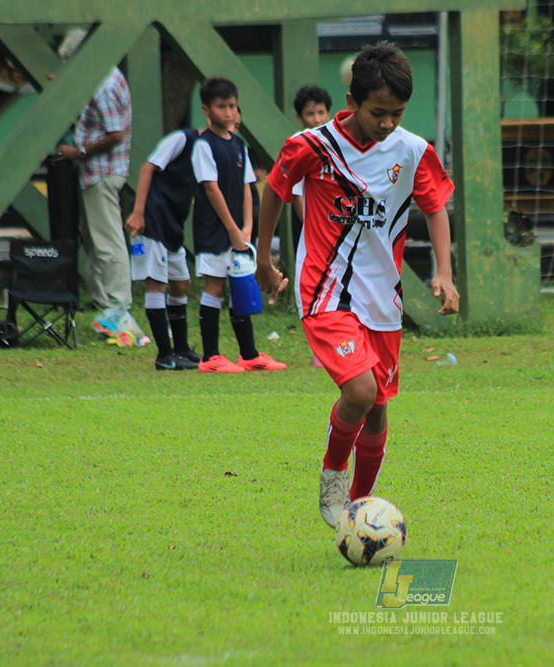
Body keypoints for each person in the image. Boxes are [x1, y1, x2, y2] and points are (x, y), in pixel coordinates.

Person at [254, 42, 460, 528]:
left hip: (382, 302)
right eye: (378, 112)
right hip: (325, 292)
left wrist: (445, 273)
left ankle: (359, 510)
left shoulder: (412, 151)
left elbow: (435, 208)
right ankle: (331, 478)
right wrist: (264, 259)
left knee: (377, 409)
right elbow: (275, 192)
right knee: (361, 391)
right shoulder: (312, 146)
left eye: (397, 113)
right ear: (352, 99)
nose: (387, 123)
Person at [191, 77, 286, 373]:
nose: (229, 112)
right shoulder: (203, 145)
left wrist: (247, 227)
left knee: (243, 288)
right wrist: (231, 228)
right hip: (213, 230)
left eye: (232, 106)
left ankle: (249, 354)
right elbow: (211, 188)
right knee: (215, 288)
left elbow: (247, 187)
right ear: (207, 109)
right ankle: (211, 358)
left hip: (238, 232)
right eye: (222, 107)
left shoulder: (240, 144)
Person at [56, 66, 139, 337]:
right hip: (96, 172)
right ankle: (103, 302)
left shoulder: (104, 85)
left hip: (101, 172)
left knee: (108, 242)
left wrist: (78, 151)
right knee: (94, 240)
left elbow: (116, 134)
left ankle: (118, 308)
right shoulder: (104, 76)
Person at [124, 128, 204, 370]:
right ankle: (164, 355)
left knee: (182, 284)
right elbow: (148, 167)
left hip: (173, 224)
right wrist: (138, 213)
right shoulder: (182, 139)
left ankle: (181, 349)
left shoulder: (211, 152)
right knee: (156, 283)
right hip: (152, 219)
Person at [291, 84, 333, 368]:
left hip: (342, 227)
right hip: (316, 233)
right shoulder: (299, 144)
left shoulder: (339, 141)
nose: (317, 119)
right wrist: (315, 229)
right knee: (313, 289)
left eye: (321, 112)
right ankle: (320, 350)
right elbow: (297, 194)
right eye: (310, 114)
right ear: (299, 117)